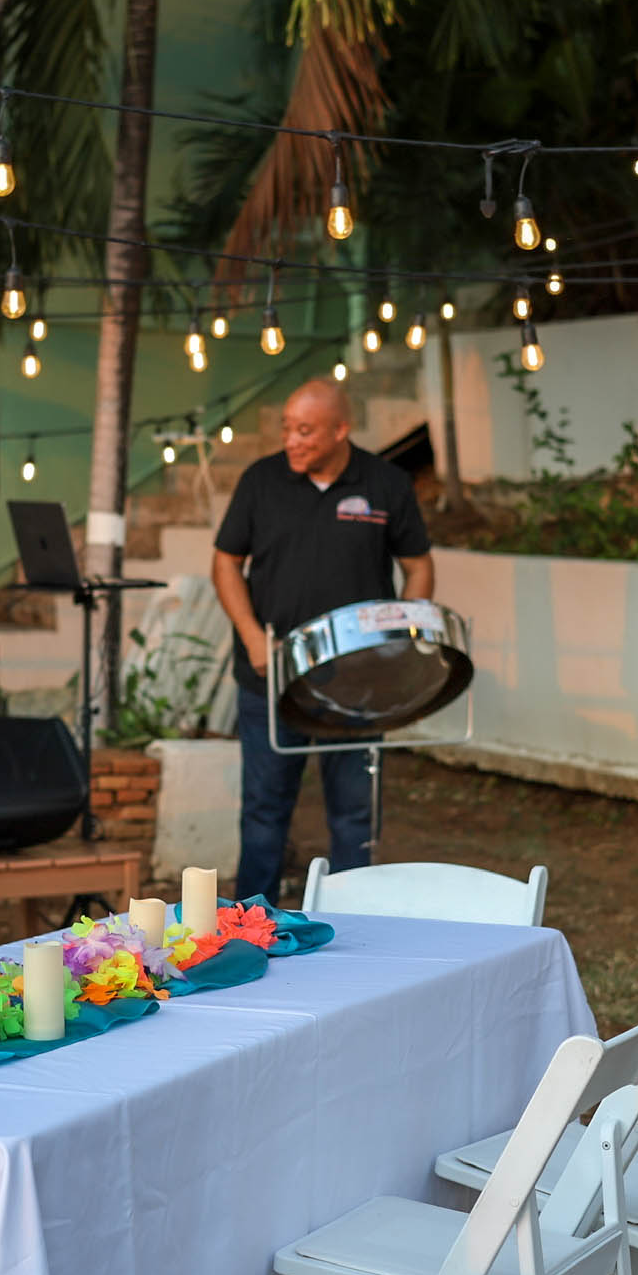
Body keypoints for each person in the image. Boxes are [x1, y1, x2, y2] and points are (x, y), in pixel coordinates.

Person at [211, 379, 435, 902]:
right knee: (264, 811)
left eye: (305, 431)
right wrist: (252, 636)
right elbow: (225, 562)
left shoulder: (385, 483)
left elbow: (419, 566)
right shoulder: (261, 481)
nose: (291, 440)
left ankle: (352, 920)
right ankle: (252, 924)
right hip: (270, 676)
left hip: (359, 681)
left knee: (355, 814)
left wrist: (404, 634)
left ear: (340, 430)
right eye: (287, 428)